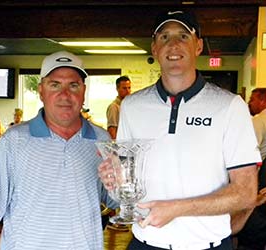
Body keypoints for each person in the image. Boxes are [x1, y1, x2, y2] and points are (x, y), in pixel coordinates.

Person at [98, 10, 261, 250]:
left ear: (198, 46)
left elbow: (246, 193)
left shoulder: (229, 106)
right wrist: (113, 182)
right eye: (164, 37)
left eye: (183, 36)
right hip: (146, 243)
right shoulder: (132, 106)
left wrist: (176, 209)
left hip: (208, 245)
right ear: (154, 48)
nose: (173, 44)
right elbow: (123, 191)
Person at [0, 50, 118, 250]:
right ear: (41, 91)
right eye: (55, 85)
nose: (65, 95)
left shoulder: (102, 140)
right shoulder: (13, 140)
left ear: (83, 92)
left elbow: (113, 202)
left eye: (73, 85)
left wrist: (120, 182)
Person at [230, 88, 266, 250]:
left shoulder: (259, 120)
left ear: (263, 101)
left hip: (257, 178)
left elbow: (249, 153)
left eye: (253, 99)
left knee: (252, 221)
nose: (249, 103)